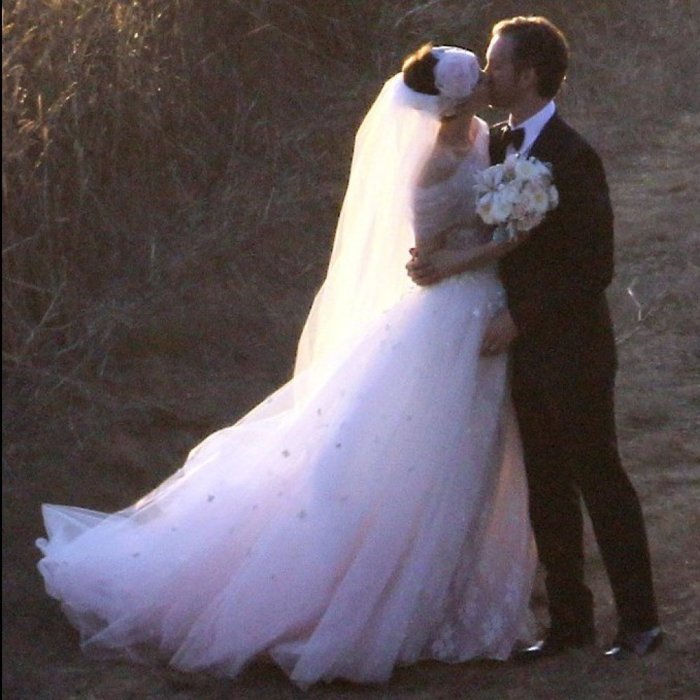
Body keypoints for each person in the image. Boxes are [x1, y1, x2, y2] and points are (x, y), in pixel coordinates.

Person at [36, 45, 537, 688]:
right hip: (450, 312)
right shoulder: (436, 162)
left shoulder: (477, 136)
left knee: (471, 451)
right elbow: (430, 253)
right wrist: (506, 238)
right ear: (457, 98)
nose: (485, 86)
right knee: (426, 455)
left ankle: (463, 583)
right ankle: (386, 599)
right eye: (475, 81)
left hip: (480, 307)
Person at [408, 16, 662, 661]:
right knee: (546, 487)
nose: (488, 75)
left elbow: (592, 265)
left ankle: (641, 623)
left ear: (528, 74)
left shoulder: (574, 157)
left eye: (497, 65)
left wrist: (521, 318)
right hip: (512, 349)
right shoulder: (493, 145)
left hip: (571, 346)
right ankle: (570, 623)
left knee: (599, 476)